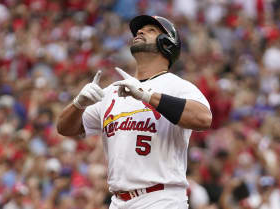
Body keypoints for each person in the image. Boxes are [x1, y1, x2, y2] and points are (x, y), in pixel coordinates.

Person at [57, 15, 212, 209]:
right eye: (140, 30)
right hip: (118, 200)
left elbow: (203, 118)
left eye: (151, 30)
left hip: (161, 198)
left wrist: (147, 95)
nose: (140, 32)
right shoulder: (114, 90)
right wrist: (78, 104)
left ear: (167, 43)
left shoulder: (176, 85)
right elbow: (65, 128)